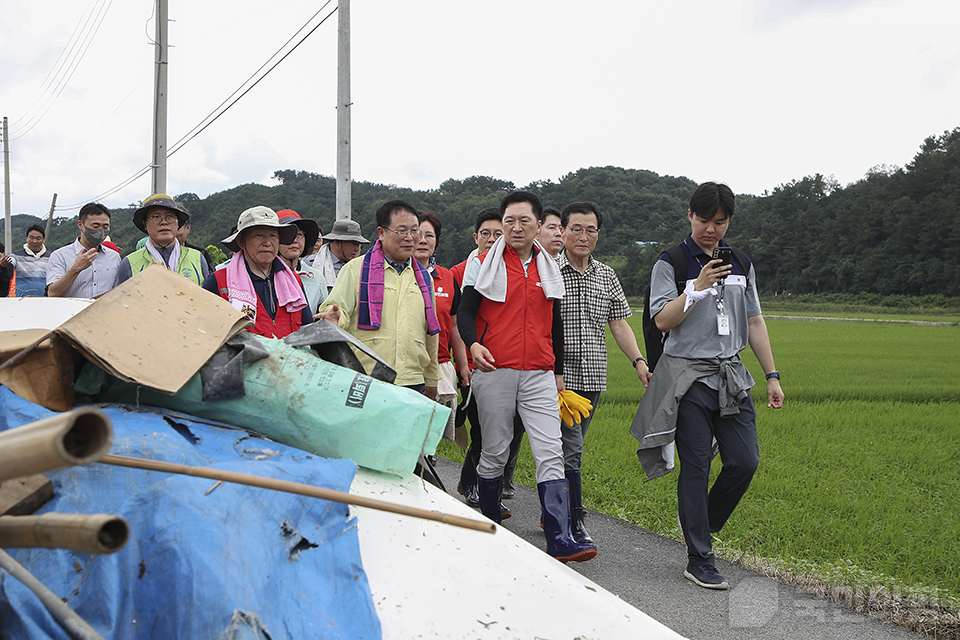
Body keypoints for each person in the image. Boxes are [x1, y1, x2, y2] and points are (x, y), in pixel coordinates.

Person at [631, 182, 784, 590]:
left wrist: (771, 375)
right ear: (690, 216)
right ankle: (700, 557)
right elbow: (662, 320)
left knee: (744, 461)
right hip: (687, 379)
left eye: (720, 221)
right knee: (696, 467)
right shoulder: (673, 261)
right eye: (704, 220)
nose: (711, 229)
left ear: (729, 221)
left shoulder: (741, 264)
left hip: (731, 377)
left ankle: (698, 521)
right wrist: (696, 287)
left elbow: (753, 321)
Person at [458, 190, 596, 563]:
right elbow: (465, 312)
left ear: (538, 225)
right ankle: (488, 520)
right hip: (494, 368)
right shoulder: (483, 263)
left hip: (538, 373)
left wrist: (560, 374)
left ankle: (560, 536)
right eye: (509, 221)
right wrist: (472, 345)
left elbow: (555, 324)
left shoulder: (548, 268)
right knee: (496, 449)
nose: (516, 227)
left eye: (524, 221)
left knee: (551, 450)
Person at [557, 201, 652, 545]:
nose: (583, 236)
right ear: (563, 231)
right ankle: (573, 521)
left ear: (598, 234)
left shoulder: (606, 274)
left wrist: (638, 360)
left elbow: (618, 322)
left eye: (591, 230)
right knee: (572, 447)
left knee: (570, 446)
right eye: (576, 229)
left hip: (593, 376)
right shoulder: (548, 271)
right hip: (557, 377)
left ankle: (553, 509)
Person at [318, 200, 440, 399]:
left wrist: (432, 378)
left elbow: (431, 332)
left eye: (414, 231)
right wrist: (335, 318)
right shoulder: (356, 270)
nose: (410, 238)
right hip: (367, 379)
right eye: (401, 231)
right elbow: (337, 309)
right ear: (381, 232)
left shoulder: (424, 278)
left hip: (413, 381)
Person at [202, 206, 316, 339]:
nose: (267, 243)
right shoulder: (219, 281)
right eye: (259, 235)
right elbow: (203, 333)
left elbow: (307, 329)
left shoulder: (293, 281)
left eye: (273, 235)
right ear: (241, 241)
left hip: (292, 359)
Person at [414, 210, 470, 445]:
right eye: (418, 234)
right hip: (409, 365)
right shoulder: (399, 275)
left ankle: (427, 465)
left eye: (430, 235)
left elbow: (454, 326)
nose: (423, 240)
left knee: (431, 432)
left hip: (440, 364)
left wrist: (464, 366)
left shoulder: (447, 278)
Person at [115, 194, 209, 286]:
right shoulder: (129, 263)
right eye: (156, 217)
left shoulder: (197, 258)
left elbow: (209, 299)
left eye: (170, 216)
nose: (164, 222)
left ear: (178, 222)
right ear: (145, 224)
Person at [46, 202, 121, 298]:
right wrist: (76, 269)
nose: (100, 231)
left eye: (105, 227)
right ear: (80, 225)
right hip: (72, 312)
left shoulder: (114, 257)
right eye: (95, 226)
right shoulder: (60, 256)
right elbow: (53, 294)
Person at [276, 209, 327, 313]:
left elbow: (323, 314)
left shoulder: (315, 277)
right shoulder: (264, 275)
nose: (294, 240)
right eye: (287, 234)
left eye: (299, 234)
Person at [307, 219, 369, 293]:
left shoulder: (363, 267)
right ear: (337, 242)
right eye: (353, 243)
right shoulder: (312, 264)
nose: (357, 249)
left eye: (359, 244)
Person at [8, 224, 53, 296]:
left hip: (45, 300)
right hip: (22, 300)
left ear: (43, 239)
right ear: (27, 238)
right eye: (31, 238)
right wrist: (3, 265)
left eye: (38, 238)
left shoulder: (51, 257)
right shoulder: (16, 255)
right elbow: (8, 266)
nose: (34, 241)